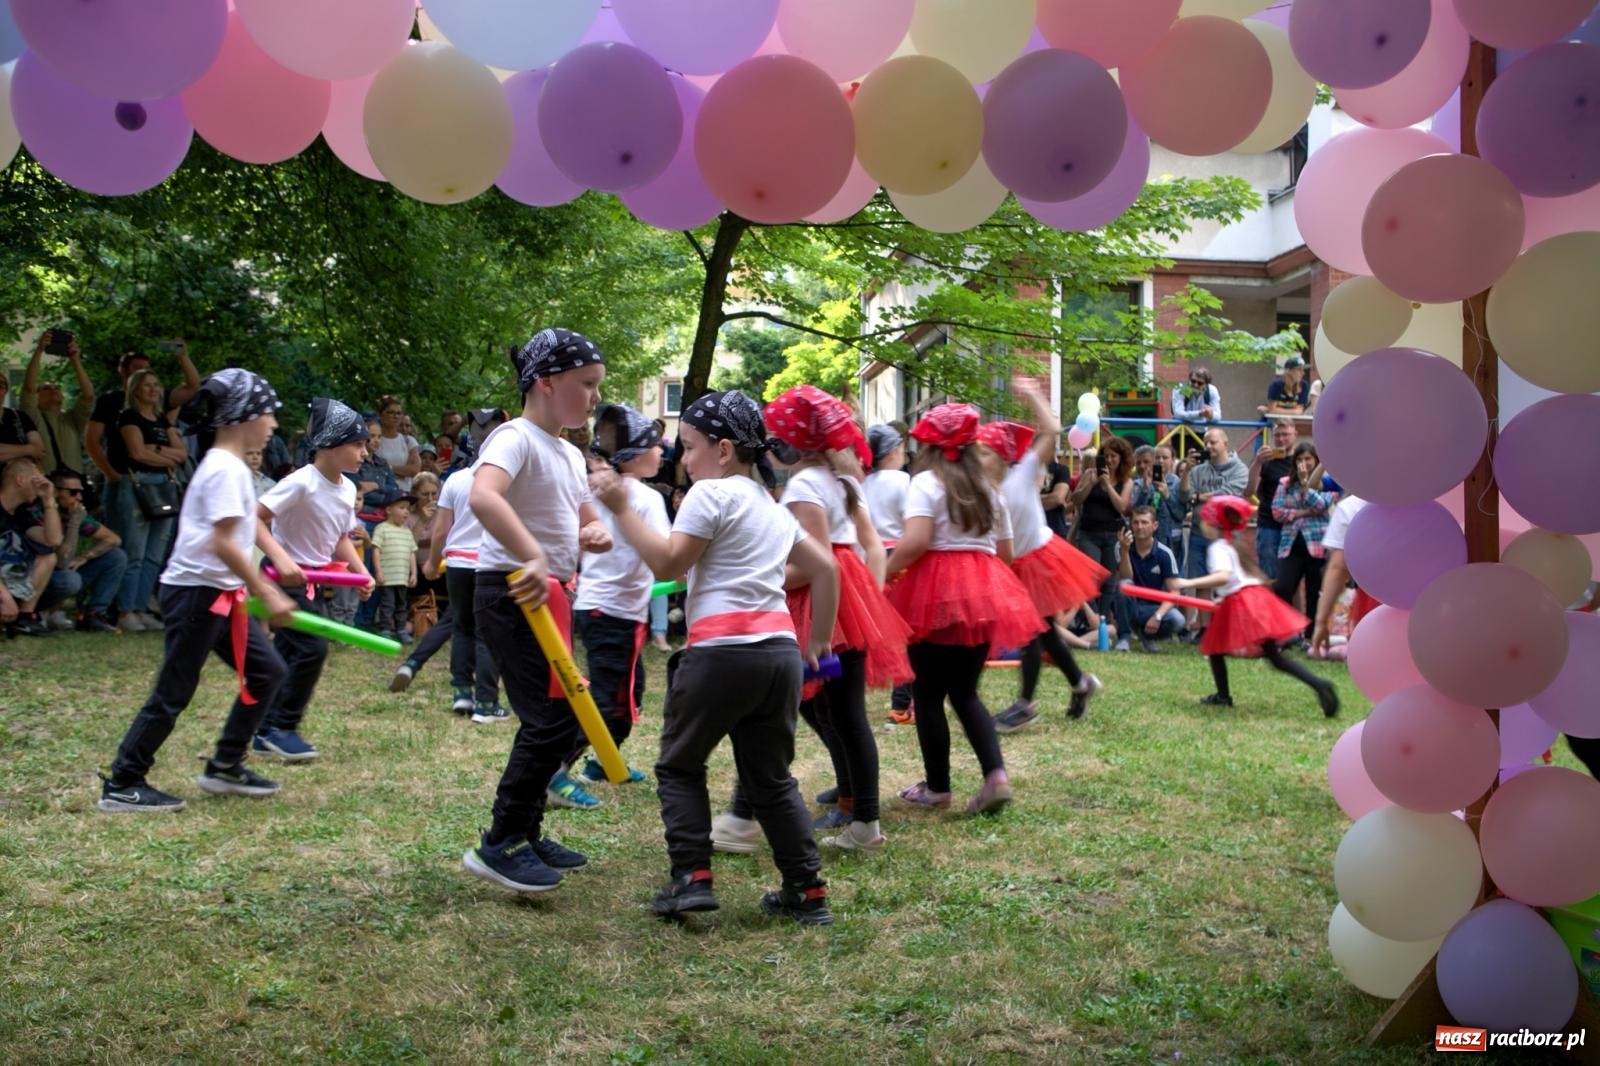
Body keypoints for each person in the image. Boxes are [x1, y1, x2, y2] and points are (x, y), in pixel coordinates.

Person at [589, 389, 840, 924]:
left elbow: (667, 565)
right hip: (778, 656)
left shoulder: (711, 495)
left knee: (680, 766)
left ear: (724, 450)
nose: (684, 458)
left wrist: (620, 508)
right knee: (770, 778)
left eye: (689, 446)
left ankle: (692, 879)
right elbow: (827, 569)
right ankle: (807, 891)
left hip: (721, 655)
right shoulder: (772, 508)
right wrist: (817, 640)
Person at [97, 369, 297, 813]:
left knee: (268, 672)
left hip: (217, 593)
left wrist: (270, 568)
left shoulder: (228, 466)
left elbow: (237, 534)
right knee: (174, 691)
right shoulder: (225, 469)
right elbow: (224, 542)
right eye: (269, 415)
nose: (274, 425)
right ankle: (124, 781)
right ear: (245, 416)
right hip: (196, 594)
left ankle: (225, 764)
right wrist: (268, 589)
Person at [459, 328, 611, 895]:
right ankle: (499, 842)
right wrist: (530, 555)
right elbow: (483, 497)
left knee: (562, 712)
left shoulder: (570, 452)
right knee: (548, 720)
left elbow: (586, 517)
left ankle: (527, 829)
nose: (595, 397)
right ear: (547, 383)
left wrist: (592, 532)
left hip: (549, 593)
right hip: (510, 590)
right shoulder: (512, 438)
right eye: (587, 385)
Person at [754, 385, 912, 851]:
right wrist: (872, 593)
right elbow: (871, 544)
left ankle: (865, 819)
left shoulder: (805, 484)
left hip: (825, 601)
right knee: (830, 707)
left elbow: (813, 563)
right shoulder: (844, 479)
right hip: (851, 597)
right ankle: (850, 799)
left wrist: (764, 578)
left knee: (840, 712)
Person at [884, 403, 1042, 816]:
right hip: (983, 592)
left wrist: (885, 570)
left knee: (928, 692)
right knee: (966, 691)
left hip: (931, 594)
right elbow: (1005, 554)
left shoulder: (925, 483)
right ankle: (996, 776)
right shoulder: (991, 490)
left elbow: (917, 541)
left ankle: (938, 787)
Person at [251, 399, 375, 763]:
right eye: (358, 444)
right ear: (331, 446)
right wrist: (281, 558)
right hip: (285, 579)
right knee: (312, 649)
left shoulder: (348, 490)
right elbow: (255, 519)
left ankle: (263, 731)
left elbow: (339, 538)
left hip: (313, 581)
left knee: (286, 656)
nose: (364, 453)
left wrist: (360, 572)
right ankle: (282, 728)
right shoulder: (301, 482)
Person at [980, 384, 1108, 735]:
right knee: (1044, 631)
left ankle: (1025, 704)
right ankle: (1081, 683)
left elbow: (1052, 430)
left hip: (1040, 560)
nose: (979, 459)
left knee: (1032, 630)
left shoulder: (1021, 473)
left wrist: (1033, 393)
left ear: (1003, 457)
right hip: (1014, 564)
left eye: (986, 453)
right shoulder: (982, 488)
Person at [566, 404, 669, 793]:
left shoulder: (600, 492)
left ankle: (603, 764)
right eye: (656, 445)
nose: (662, 451)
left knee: (629, 694)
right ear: (636, 455)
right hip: (611, 611)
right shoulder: (643, 498)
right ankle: (555, 770)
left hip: (603, 609)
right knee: (611, 702)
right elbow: (665, 554)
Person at [1173, 495, 1339, 717]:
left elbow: (1224, 577)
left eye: (1204, 519)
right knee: (1240, 653)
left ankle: (1318, 684)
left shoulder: (1218, 548)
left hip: (1244, 603)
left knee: (1222, 650)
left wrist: (1188, 582)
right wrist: (1222, 598)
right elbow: (1236, 579)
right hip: (1252, 598)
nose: (1201, 523)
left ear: (1214, 524)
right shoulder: (1232, 544)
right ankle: (1319, 684)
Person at [393, 447, 507, 724]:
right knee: (486, 633)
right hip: (488, 563)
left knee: (460, 627)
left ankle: (462, 693)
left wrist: (433, 562)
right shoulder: (506, 479)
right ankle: (487, 704)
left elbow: (442, 530)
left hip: (456, 565)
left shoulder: (456, 479)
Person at [115, 369, 190, 632]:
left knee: (155, 555)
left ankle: (141, 608)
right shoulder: (129, 417)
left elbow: (182, 454)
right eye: (147, 385)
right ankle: (126, 611)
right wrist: (164, 454)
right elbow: (136, 453)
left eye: (157, 384)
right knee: (135, 552)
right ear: (135, 389)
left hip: (164, 485)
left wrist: (155, 450)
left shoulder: (161, 419)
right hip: (139, 484)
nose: (153, 389)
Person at [862, 422, 915, 725]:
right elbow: (913, 524)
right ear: (895, 451)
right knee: (908, 634)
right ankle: (901, 705)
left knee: (880, 634)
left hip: (871, 561)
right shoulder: (903, 481)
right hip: (900, 559)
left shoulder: (863, 484)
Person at [1176, 427, 1250, 623]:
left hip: (1226, 536)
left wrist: (1198, 497)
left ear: (1226, 444)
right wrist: (1188, 471)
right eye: (1206, 443)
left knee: (1228, 584)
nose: (1208, 446)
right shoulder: (1198, 470)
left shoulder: (1240, 469)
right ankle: (1204, 629)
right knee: (1202, 585)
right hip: (1199, 532)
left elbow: (1226, 495)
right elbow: (1183, 496)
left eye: (1213, 442)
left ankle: (1228, 626)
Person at [45, 468, 127, 633]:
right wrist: (75, 522)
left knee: (116, 557)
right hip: (40, 580)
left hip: (62, 575)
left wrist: (85, 556)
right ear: (54, 492)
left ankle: (94, 614)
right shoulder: (43, 514)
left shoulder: (73, 513)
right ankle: (38, 612)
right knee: (69, 579)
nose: (80, 498)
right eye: (74, 492)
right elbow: (62, 562)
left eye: (81, 492)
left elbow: (114, 539)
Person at [1270, 441, 1334, 642]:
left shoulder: (1328, 482)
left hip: (1317, 545)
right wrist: (1305, 512)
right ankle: (1287, 632)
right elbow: (1277, 512)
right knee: (1283, 587)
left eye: (1308, 459)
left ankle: (1309, 636)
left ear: (1315, 460)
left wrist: (1307, 486)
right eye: (1300, 459)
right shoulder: (1285, 483)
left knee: (1314, 592)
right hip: (1291, 545)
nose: (1303, 463)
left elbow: (1322, 505)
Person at [1068, 434, 1133, 629]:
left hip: (1112, 534)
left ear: (1121, 458)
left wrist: (1107, 486)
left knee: (1109, 580)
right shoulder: (1089, 474)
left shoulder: (1126, 481)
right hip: (1089, 532)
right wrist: (1091, 483)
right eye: (1106, 456)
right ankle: (1091, 618)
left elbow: (1122, 506)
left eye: (1114, 456)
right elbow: (1076, 500)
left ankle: (1102, 622)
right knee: (1089, 576)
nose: (1110, 460)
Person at [0, 457, 64, 637]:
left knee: (48, 556)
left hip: (9, 576)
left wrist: (49, 500)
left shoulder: (21, 514)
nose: (41, 485)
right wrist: (3, 596)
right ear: (20, 480)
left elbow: (53, 540)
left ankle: (25, 617)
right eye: (37, 479)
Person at [20, 331, 95, 478]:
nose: (53, 390)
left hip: (74, 487)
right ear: (37, 397)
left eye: (57, 388)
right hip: (44, 484)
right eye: (46, 388)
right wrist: (39, 350)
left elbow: (88, 395)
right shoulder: (32, 417)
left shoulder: (72, 419)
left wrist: (75, 360)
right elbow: (29, 389)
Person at [1111, 506, 1186, 651]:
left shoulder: (1165, 553)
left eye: (1144, 522)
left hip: (1153, 607)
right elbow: (1125, 579)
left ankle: (1147, 636)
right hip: (1129, 605)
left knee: (1178, 620)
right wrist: (1125, 552)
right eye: (1136, 523)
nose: (1139, 527)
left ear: (1155, 526)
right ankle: (1124, 638)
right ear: (1131, 525)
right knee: (1124, 585)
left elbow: (1174, 592)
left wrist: (1158, 616)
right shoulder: (1121, 546)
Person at [1309, 493, 1372, 659]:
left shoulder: (1352, 507)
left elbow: (1338, 567)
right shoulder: (1425, 497)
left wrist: (1321, 621)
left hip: (1377, 606)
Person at [1246, 421, 1299, 581]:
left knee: (1292, 579)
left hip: (1296, 524)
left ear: (1295, 435)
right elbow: (1249, 491)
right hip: (1269, 525)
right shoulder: (1265, 461)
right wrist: (1257, 462)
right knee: (1269, 575)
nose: (1281, 439)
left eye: (1285, 435)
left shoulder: (1302, 459)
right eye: (1277, 435)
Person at [370, 492, 418, 643]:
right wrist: (378, 571)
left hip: (402, 577)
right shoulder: (382, 528)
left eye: (408, 509)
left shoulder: (407, 532)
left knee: (402, 605)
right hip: (388, 576)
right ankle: (385, 628)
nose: (406, 511)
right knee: (387, 604)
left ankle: (401, 629)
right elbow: (376, 550)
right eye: (402, 507)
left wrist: (414, 573)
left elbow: (411, 553)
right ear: (389, 510)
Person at [1131, 444, 1184, 563]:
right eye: (1157, 458)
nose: (1160, 461)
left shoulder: (1177, 483)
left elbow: (1180, 515)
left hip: (1171, 539)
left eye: (1165, 458)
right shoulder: (1139, 483)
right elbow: (1135, 512)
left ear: (1173, 460)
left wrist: (1167, 495)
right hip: (1147, 539)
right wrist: (1144, 489)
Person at [373, 395, 421, 491]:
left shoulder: (409, 441)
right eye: (390, 412)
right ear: (380, 414)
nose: (395, 416)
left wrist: (387, 468)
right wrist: (402, 471)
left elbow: (414, 470)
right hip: (381, 491)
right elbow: (372, 469)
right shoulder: (373, 439)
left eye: (399, 413)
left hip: (405, 492)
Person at [1171, 367, 1221, 451]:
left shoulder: (1212, 391)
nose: (1195, 385)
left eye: (1200, 383)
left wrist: (1210, 414)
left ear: (1206, 384)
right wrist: (1199, 414)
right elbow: (1178, 413)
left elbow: (1218, 416)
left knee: (1200, 462)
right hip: (1180, 432)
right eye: (1193, 381)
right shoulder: (1180, 388)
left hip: (1201, 433)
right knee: (1181, 462)